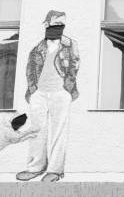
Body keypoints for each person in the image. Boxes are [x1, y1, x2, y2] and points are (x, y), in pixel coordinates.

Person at [16, 10, 80, 183]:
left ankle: (55, 170)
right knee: (37, 130)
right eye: (56, 23)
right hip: (40, 93)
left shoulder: (70, 44)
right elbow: (30, 69)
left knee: (59, 130)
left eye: (62, 24)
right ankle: (35, 168)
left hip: (61, 92)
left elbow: (74, 64)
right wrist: (33, 89)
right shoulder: (38, 47)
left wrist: (68, 87)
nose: (59, 27)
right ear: (46, 24)